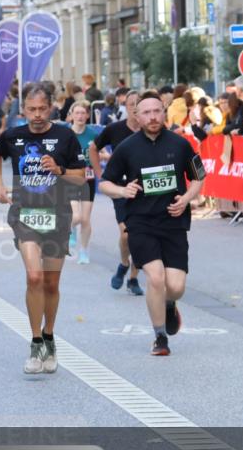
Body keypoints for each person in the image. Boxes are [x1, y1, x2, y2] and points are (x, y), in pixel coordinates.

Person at [0, 81, 86, 374]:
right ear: (24, 109)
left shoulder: (65, 136)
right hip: (25, 214)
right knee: (34, 277)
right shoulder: (13, 135)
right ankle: (35, 342)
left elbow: (81, 177)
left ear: (52, 107)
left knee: (51, 283)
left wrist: (59, 170)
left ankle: (49, 335)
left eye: (43, 108)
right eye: (31, 109)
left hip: (57, 214)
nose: (38, 115)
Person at [99, 91, 205, 356]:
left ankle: (169, 304)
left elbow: (199, 177)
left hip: (174, 221)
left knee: (176, 287)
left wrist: (187, 199)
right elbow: (105, 183)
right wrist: (123, 190)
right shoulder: (127, 147)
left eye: (157, 111)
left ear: (164, 112)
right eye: (146, 112)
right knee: (156, 278)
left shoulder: (180, 144)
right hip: (141, 222)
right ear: (137, 116)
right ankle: (160, 337)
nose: (153, 117)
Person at [89, 90, 145, 296]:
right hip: (120, 188)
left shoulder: (151, 129)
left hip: (145, 190)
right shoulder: (114, 129)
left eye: (139, 103)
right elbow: (93, 148)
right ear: (126, 107)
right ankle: (124, 263)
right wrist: (100, 174)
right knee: (127, 233)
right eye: (131, 104)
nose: (135, 107)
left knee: (141, 234)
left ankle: (133, 278)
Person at [66, 101, 102, 263]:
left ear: (87, 115)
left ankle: (83, 251)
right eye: (77, 113)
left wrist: (105, 157)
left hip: (88, 179)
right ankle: (71, 228)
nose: (80, 116)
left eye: (83, 113)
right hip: (71, 178)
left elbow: (101, 152)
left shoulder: (93, 134)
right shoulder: (65, 134)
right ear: (71, 115)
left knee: (86, 219)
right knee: (77, 216)